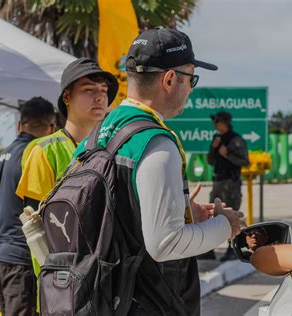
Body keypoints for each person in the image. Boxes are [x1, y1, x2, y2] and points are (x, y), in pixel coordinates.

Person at [73, 27, 245, 315]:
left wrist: (181, 212)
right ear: (169, 79)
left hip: (102, 298)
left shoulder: (97, 135)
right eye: (191, 79)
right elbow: (165, 244)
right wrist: (226, 225)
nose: (191, 89)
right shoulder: (157, 144)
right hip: (146, 303)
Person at [15, 58, 118, 211]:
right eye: (89, 90)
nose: (100, 97)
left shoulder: (113, 147)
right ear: (67, 97)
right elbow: (34, 225)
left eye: (104, 90)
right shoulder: (46, 151)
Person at [0, 97, 56, 316]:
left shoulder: (1, 156)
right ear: (51, 127)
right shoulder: (34, 152)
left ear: (20, 124)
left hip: (1, 254)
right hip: (22, 257)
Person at [202, 111, 249, 261]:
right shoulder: (217, 139)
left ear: (225, 122)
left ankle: (233, 250)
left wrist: (227, 154)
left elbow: (244, 161)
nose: (215, 124)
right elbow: (210, 161)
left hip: (231, 183)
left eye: (217, 121)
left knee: (232, 215)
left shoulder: (235, 140)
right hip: (218, 182)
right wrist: (213, 148)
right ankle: (209, 250)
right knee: (211, 215)